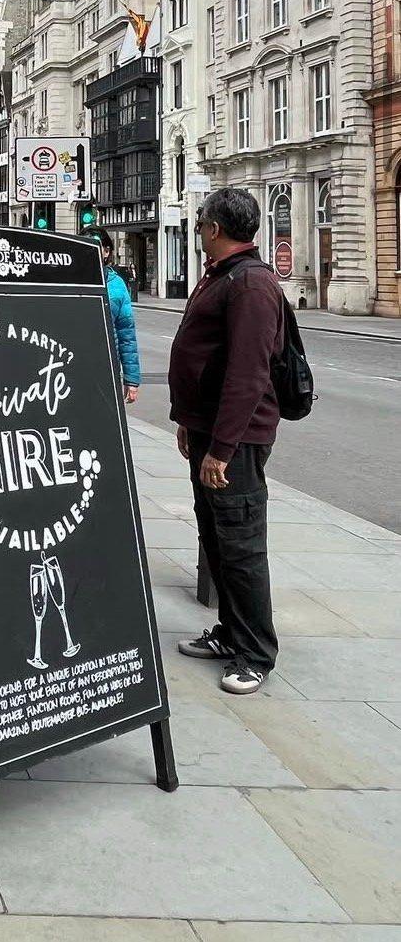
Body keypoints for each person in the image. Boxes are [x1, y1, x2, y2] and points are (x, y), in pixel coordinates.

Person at [168, 187, 284, 695]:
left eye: (200, 224)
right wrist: (189, 422)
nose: (197, 231)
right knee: (216, 537)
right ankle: (229, 633)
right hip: (209, 430)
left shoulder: (251, 285)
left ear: (214, 229)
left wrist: (222, 448)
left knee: (240, 544)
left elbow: (247, 375)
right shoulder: (223, 278)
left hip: (233, 441)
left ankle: (255, 652)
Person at [97, 228, 140, 404]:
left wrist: (131, 379)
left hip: (107, 366)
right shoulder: (66, 280)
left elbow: (126, 335)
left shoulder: (116, 285)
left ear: (107, 252)